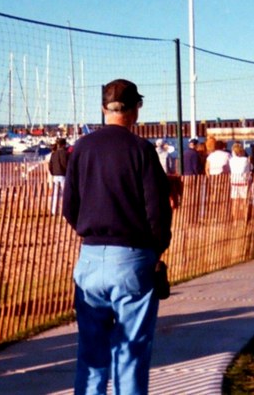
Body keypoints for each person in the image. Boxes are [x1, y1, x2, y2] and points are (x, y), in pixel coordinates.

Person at [62, 78, 172, 395]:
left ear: (103, 109)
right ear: (136, 109)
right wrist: (155, 250)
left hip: (91, 258)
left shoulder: (82, 147)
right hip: (133, 258)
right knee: (131, 355)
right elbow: (156, 211)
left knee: (91, 356)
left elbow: (70, 206)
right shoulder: (141, 150)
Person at [228, 142, 252, 218]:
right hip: (243, 182)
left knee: (235, 202)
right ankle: (245, 219)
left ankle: (235, 219)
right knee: (245, 202)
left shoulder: (231, 160)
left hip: (234, 182)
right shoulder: (245, 160)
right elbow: (250, 168)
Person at [49, 137, 69, 216]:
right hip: (63, 175)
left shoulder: (54, 154)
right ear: (64, 144)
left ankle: (54, 211)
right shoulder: (65, 153)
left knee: (55, 194)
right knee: (65, 194)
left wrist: (53, 172)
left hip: (55, 175)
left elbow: (50, 165)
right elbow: (66, 164)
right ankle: (65, 211)